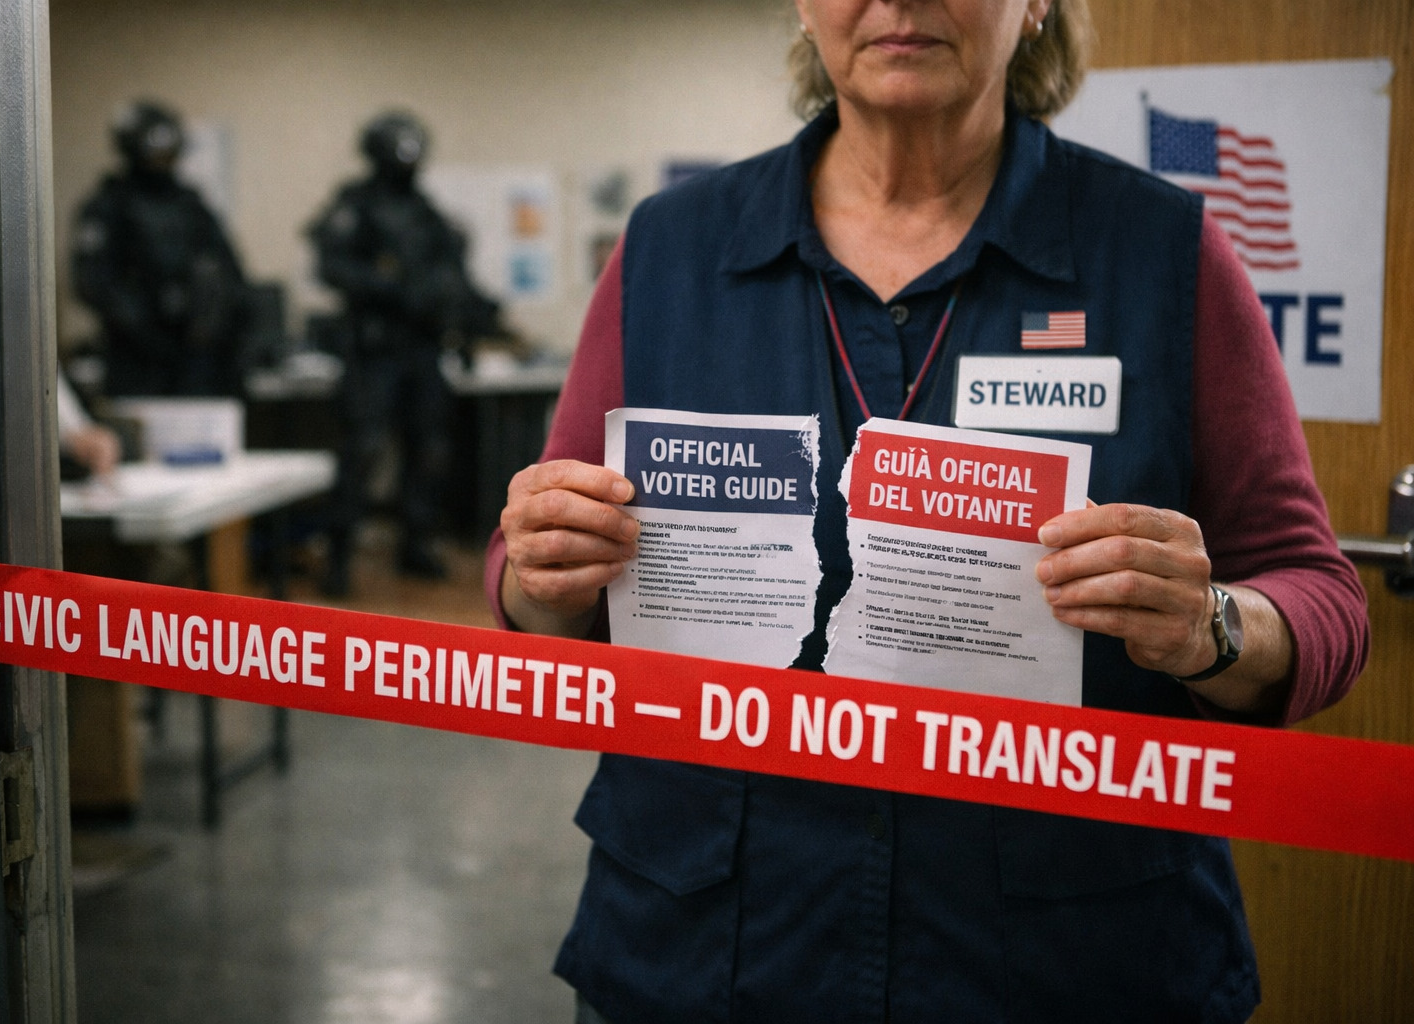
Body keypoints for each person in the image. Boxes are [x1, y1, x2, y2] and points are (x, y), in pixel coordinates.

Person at [487, 2, 1370, 1021]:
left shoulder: (1162, 252)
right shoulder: (671, 250)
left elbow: (1322, 599)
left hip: (1067, 959)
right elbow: (538, 590)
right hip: (710, 952)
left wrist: (1211, 624)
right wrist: (541, 572)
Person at [309, 110, 500, 592]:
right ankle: (339, 557)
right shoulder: (355, 205)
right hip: (373, 354)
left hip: (423, 352)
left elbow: (454, 277)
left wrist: (473, 311)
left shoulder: (427, 213)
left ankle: (416, 545)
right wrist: (392, 288)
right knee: (362, 452)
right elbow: (331, 267)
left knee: (429, 451)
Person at [72, 100, 250, 398]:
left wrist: (221, 324)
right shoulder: (109, 205)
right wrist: (141, 326)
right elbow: (91, 281)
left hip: (197, 355)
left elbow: (229, 270)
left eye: (169, 152)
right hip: (137, 358)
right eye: (155, 152)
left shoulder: (191, 205)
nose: (162, 160)